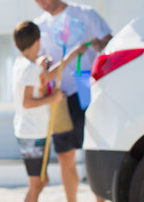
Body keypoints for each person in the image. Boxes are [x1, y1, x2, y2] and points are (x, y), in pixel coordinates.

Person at [26, 0, 112, 202]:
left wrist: (99, 44)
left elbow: (110, 42)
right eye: (36, 0)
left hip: (89, 93)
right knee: (65, 157)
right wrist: (41, 59)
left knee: (95, 153)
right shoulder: (40, 26)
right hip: (59, 98)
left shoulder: (85, 13)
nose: (42, 2)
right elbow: (36, 58)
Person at [12, 20, 88, 202]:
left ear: (16, 45)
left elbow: (49, 76)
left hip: (32, 131)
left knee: (41, 181)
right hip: (32, 133)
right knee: (37, 184)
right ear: (38, 42)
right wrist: (52, 99)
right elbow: (27, 102)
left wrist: (70, 56)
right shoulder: (30, 69)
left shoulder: (21, 64)